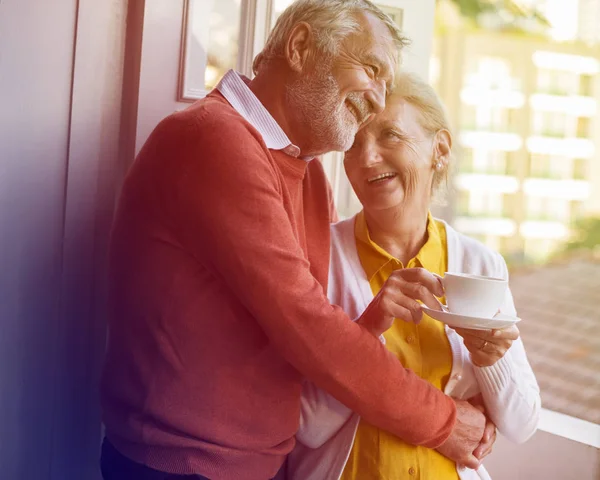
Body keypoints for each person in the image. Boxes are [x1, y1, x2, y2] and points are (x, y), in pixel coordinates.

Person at [99, 1, 490, 479]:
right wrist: (444, 422)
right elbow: (309, 328)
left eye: (387, 82)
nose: (378, 96)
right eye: (371, 69)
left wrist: (371, 324)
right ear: (301, 47)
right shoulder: (214, 139)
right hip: (183, 466)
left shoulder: (308, 175)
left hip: (261, 463)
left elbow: (311, 339)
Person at [286, 72, 541, 480]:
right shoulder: (316, 256)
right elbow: (306, 426)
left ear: (438, 149)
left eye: (390, 136)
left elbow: (522, 423)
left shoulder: (481, 266)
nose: (367, 157)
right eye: (354, 142)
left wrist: (490, 360)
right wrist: (364, 332)